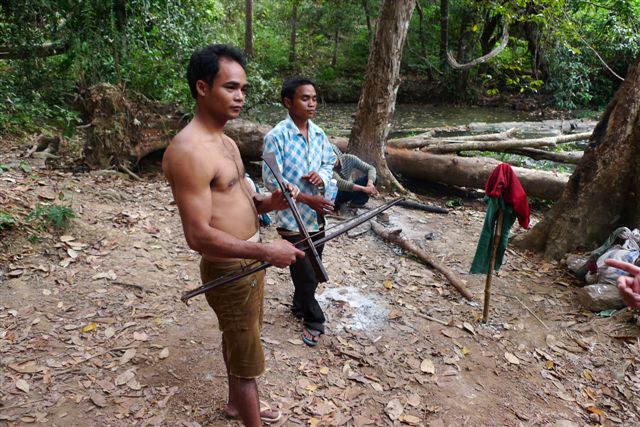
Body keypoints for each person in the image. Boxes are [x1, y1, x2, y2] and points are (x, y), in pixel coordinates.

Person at [162, 44, 305, 427]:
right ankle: (249, 414)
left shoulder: (225, 141)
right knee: (247, 361)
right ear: (202, 88)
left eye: (243, 88)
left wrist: (269, 202)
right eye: (230, 87)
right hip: (230, 269)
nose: (240, 96)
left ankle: (236, 406)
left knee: (240, 338)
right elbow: (197, 235)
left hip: (249, 258)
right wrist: (265, 253)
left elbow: (240, 199)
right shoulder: (189, 151)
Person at [262, 77, 336, 347]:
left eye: (314, 98)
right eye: (305, 98)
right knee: (305, 271)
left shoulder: (318, 134)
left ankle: (298, 304)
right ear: (288, 102)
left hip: (317, 217)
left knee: (313, 269)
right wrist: (305, 197)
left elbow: (330, 161)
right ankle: (314, 319)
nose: (312, 103)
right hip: (291, 219)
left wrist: (322, 177)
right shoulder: (276, 136)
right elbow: (273, 179)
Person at [331, 144, 379, 210]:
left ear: (337, 153)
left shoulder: (349, 158)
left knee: (374, 178)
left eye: (333, 156)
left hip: (350, 190)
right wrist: (364, 189)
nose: (331, 160)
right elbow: (340, 183)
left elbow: (370, 168)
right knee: (333, 188)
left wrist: (369, 183)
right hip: (337, 194)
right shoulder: (327, 168)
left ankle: (357, 203)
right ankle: (336, 208)